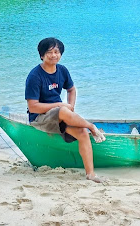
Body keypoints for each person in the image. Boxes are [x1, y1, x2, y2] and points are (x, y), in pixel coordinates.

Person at [25, 37, 106, 183]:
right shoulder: (34, 76)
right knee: (63, 110)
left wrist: (71, 107)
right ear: (42, 55)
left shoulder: (62, 70)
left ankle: (90, 174)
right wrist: (60, 106)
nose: (54, 55)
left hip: (59, 116)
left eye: (57, 52)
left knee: (82, 133)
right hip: (40, 118)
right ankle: (91, 126)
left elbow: (72, 89)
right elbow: (33, 106)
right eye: (49, 52)